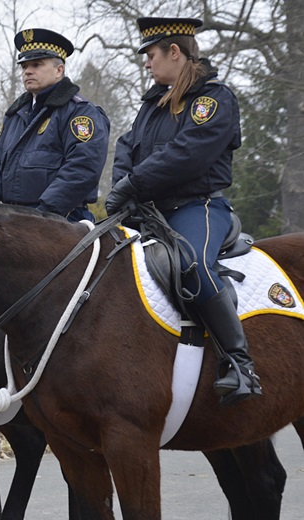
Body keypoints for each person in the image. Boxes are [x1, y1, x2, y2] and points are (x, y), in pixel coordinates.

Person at [106, 17, 262, 406]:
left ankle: (239, 363)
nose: (146, 63)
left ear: (174, 52)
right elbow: (127, 146)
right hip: (149, 211)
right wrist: (123, 185)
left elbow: (188, 154)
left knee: (192, 263)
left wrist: (134, 183)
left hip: (197, 207)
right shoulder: (152, 103)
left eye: (151, 55)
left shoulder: (213, 98)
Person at [0, 28, 109, 222]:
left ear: (59, 70)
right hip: (12, 220)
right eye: (24, 66)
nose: (27, 71)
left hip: (60, 221)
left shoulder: (80, 112)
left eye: (36, 64)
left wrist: (43, 214)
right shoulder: (16, 115)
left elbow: (83, 168)